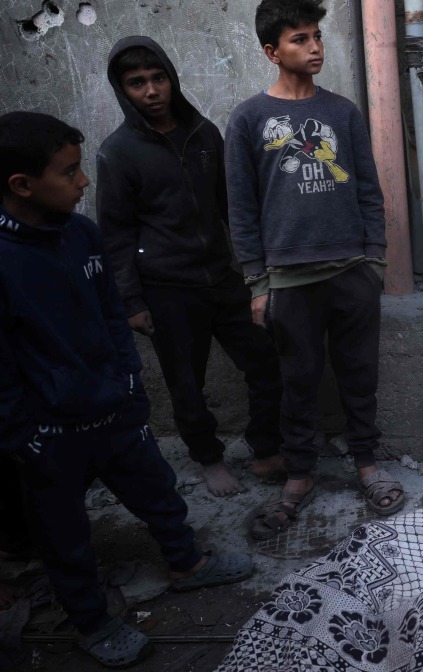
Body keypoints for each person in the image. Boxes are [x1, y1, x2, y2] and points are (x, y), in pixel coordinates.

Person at [0, 112, 255, 668]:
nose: (83, 183)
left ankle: (186, 563)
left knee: (158, 492)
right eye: (69, 173)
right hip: (51, 431)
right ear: (22, 185)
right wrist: (24, 435)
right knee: (64, 534)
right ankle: (91, 620)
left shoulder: (82, 235)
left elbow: (113, 318)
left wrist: (131, 386)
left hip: (113, 410)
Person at [224, 0, 405, 539]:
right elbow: (241, 207)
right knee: (297, 380)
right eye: (300, 38)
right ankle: (299, 475)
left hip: (350, 272)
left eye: (317, 35)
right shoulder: (250, 119)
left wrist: (373, 262)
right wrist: (258, 282)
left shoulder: (340, 112)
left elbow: (370, 191)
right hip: (289, 281)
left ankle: (368, 466)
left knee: (359, 375)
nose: (315, 46)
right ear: (271, 51)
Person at [96, 36, 286, 497]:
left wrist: (256, 269)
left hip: (223, 277)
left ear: (171, 79)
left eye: (158, 78)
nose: (152, 90)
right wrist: (132, 302)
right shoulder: (118, 152)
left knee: (264, 360)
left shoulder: (204, 134)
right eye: (137, 83)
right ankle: (209, 457)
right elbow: (115, 234)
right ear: (124, 91)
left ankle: (264, 447)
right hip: (167, 288)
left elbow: (232, 206)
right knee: (186, 382)